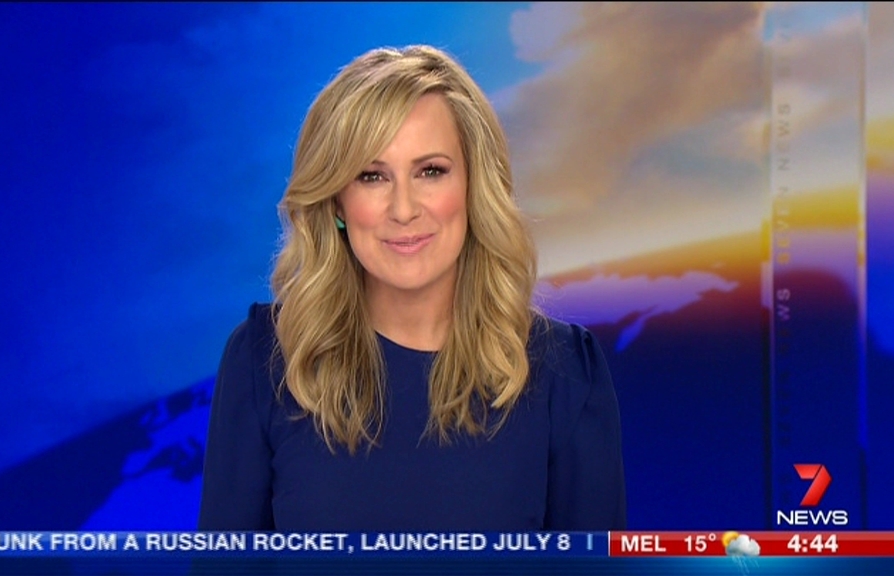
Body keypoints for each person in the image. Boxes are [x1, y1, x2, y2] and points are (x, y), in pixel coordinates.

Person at [198, 45, 625, 531]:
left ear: (474, 186)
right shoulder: (264, 364)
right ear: (336, 203)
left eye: (431, 171)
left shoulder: (565, 375)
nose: (403, 209)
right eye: (371, 176)